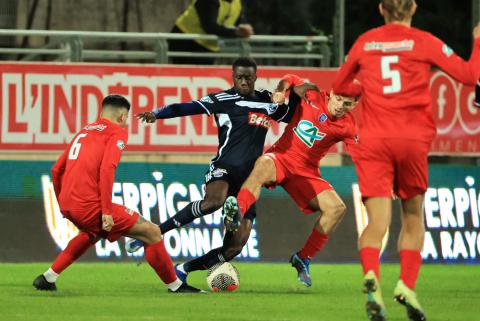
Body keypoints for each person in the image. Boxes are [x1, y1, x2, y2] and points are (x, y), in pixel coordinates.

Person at [331, 1, 480, 320]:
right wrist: (479, 41)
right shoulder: (424, 41)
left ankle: (372, 278)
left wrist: (366, 88)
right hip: (411, 139)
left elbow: (340, 86)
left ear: (381, 8)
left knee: (377, 223)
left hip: (374, 141)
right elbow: (469, 75)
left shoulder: (365, 42)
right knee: (413, 217)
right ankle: (407, 286)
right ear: (413, 7)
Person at [130, 58, 306, 281]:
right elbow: (187, 107)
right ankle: (155, 232)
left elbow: (290, 116)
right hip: (224, 167)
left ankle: (184, 269)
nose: (243, 81)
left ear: (255, 77)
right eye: (239, 77)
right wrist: (158, 113)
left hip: (251, 178)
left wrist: (293, 90)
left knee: (235, 247)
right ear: (233, 76)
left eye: (248, 77)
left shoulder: (266, 101)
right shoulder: (221, 99)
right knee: (214, 201)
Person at [32, 95, 203, 293]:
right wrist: (106, 211)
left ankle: (48, 277)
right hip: (90, 206)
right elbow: (107, 170)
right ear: (123, 116)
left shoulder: (84, 131)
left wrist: (63, 205)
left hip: (69, 204)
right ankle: (176, 286)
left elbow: (56, 170)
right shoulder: (116, 133)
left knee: (92, 233)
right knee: (152, 232)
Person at [222, 74, 359, 287]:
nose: (341, 106)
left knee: (337, 208)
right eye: (339, 99)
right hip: (282, 158)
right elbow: (290, 79)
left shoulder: (348, 126)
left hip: (306, 172)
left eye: (348, 104)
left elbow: (362, 155)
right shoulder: (311, 93)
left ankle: (303, 258)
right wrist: (280, 91)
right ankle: (236, 212)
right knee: (262, 165)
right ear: (331, 94)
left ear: (355, 105)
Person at [170, 0, 254, 64]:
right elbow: (209, 26)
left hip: (207, 46)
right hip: (186, 41)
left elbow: (239, 21)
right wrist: (236, 32)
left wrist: (245, 26)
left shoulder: (237, 2)